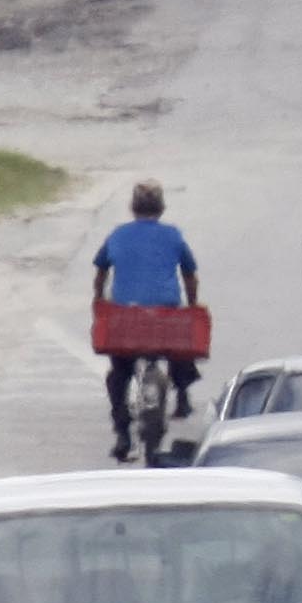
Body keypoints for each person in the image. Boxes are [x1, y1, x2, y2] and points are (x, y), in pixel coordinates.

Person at [92, 180, 204, 459]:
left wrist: (100, 298)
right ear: (162, 208)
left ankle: (121, 432)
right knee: (179, 347)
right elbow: (189, 274)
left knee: (119, 373)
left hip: (125, 316)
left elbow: (101, 271)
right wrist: (191, 305)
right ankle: (182, 397)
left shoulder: (118, 234)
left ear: (132, 208)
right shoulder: (174, 235)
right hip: (164, 314)